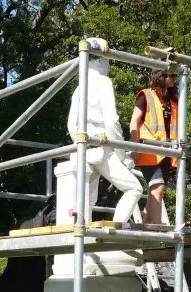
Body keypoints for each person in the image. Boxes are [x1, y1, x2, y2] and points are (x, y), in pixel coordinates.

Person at [66, 39, 142, 224]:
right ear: (99, 60)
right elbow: (112, 122)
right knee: (134, 188)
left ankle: (83, 239)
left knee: (87, 200)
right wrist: (122, 156)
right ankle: (115, 228)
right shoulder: (103, 82)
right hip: (104, 148)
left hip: (85, 149)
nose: (108, 65)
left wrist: (81, 143)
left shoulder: (78, 89)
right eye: (107, 60)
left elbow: (71, 125)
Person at [129, 70, 179, 224]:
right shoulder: (146, 95)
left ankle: (147, 225)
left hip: (166, 152)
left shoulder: (173, 100)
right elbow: (134, 122)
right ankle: (156, 229)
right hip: (149, 150)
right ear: (162, 77)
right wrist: (135, 148)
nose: (174, 79)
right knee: (157, 189)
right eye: (172, 75)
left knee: (155, 191)